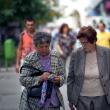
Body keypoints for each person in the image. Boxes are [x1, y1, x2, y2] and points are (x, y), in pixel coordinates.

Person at [19, 32, 66, 110]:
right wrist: (40, 78)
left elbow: (63, 75)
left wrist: (59, 79)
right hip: (34, 103)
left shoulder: (55, 56)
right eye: (41, 47)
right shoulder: (30, 59)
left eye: (46, 46)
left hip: (53, 102)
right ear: (35, 46)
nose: (44, 49)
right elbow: (23, 80)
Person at [67, 26, 110, 110]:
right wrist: (70, 99)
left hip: (103, 98)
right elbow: (70, 78)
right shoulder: (76, 54)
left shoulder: (106, 52)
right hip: (81, 98)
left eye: (85, 43)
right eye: (81, 43)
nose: (83, 45)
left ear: (93, 41)